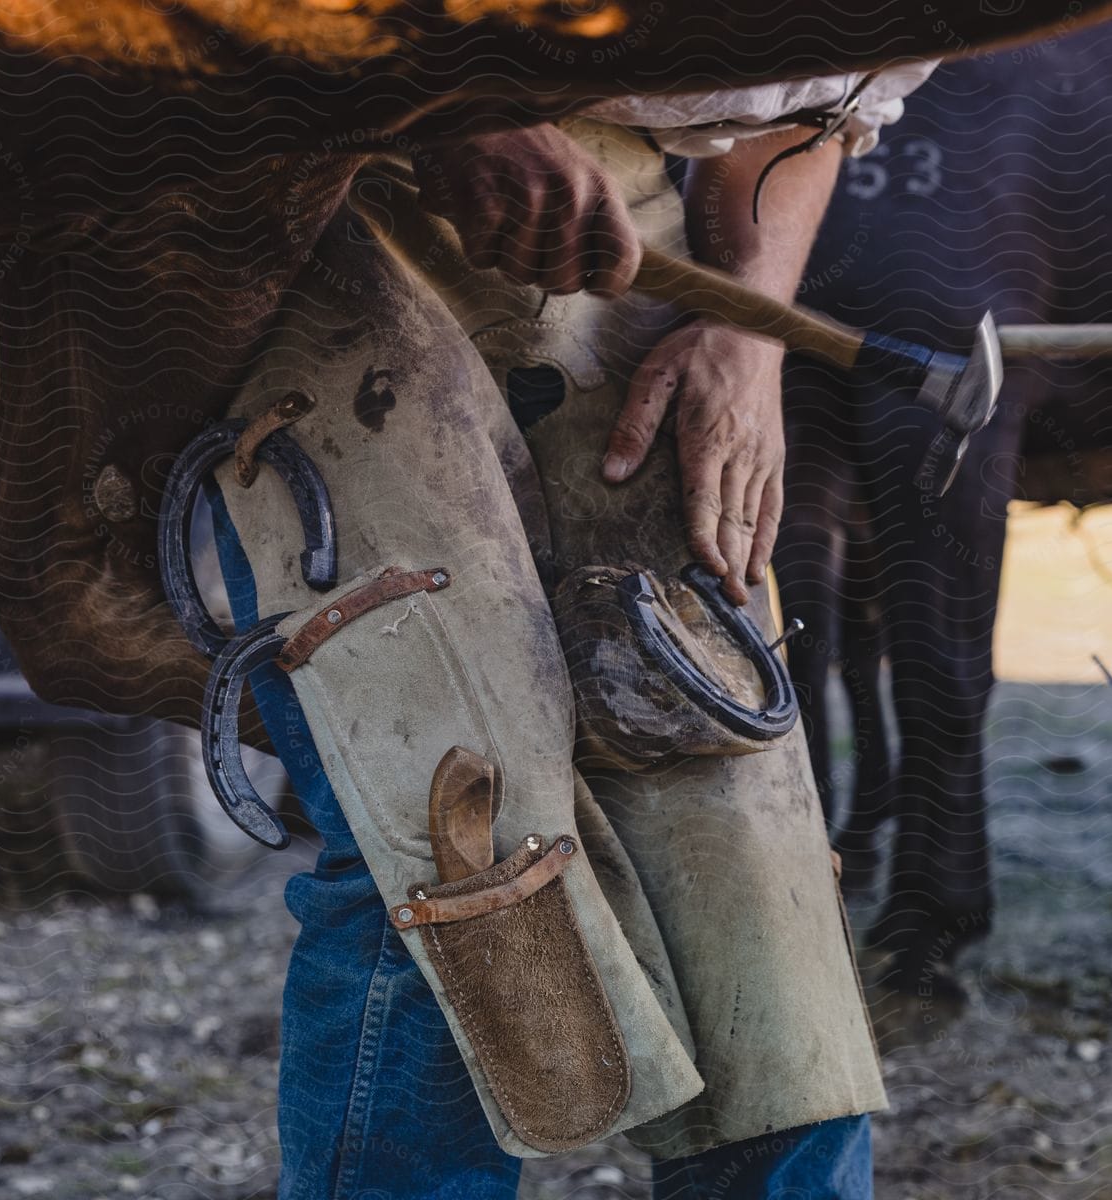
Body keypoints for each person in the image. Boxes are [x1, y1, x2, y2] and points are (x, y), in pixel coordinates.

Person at [193, 66, 930, 1198]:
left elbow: (801, 115)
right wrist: (451, 101)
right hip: (326, 195)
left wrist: (749, 332)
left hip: (624, 226)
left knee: (737, 808)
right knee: (448, 821)